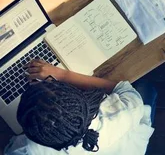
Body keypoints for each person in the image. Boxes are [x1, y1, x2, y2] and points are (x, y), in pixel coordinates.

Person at [4, 59, 156, 155]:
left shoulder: (24, 150)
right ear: (79, 98)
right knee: (146, 88)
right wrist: (61, 75)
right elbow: (121, 88)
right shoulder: (125, 110)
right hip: (131, 146)